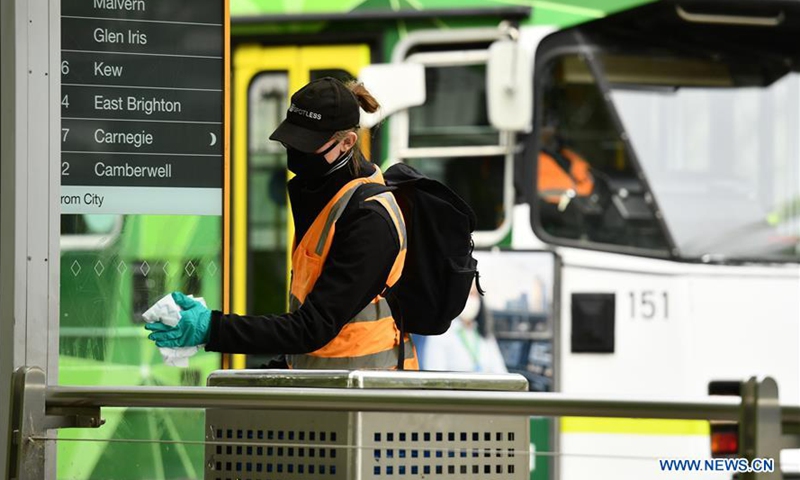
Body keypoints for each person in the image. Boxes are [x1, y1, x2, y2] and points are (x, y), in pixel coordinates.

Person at [144, 77, 418, 370]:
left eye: (306, 145)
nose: (294, 153)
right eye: (290, 141)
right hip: (327, 390)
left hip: (370, 396)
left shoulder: (369, 220)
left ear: (347, 143)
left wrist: (213, 328)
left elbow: (313, 327)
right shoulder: (325, 199)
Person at [421, 285, 507, 373]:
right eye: (467, 294)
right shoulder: (440, 334)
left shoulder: (485, 334)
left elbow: (500, 372)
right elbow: (435, 376)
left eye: (474, 294)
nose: (470, 299)